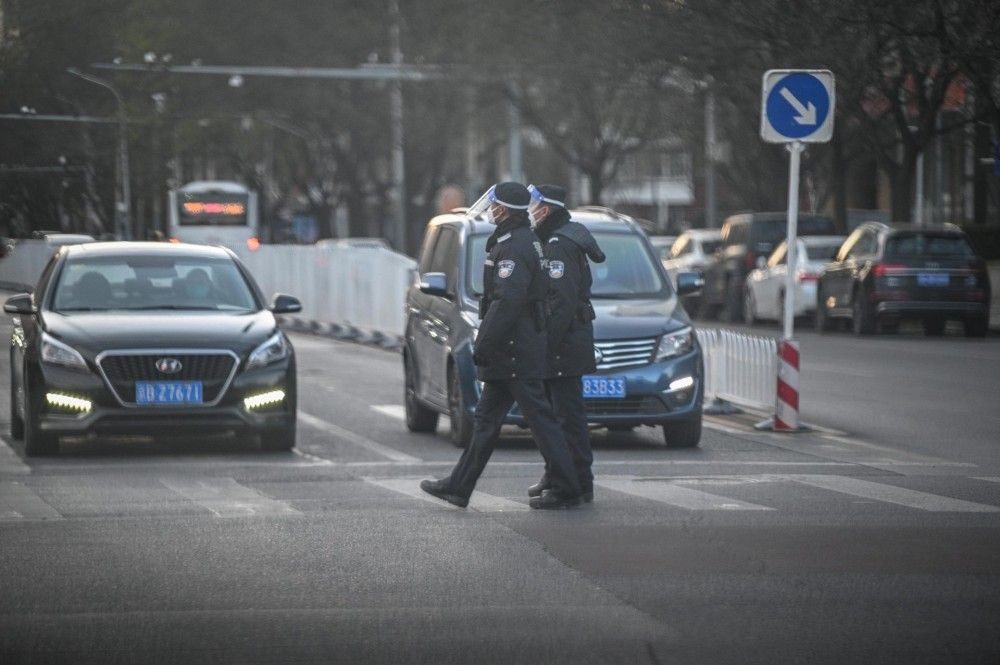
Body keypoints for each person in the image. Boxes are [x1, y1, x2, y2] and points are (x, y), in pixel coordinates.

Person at [420, 182, 583, 510]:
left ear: (504, 209)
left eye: (494, 205)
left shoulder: (515, 245)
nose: (491, 210)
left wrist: (484, 342)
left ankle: (568, 486)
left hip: (515, 350)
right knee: (486, 422)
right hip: (513, 349)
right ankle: (459, 486)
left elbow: (507, 301)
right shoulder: (519, 240)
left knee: (538, 419)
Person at [526, 184, 606, 503]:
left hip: (564, 343)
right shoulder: (553, 237)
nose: (530, 211)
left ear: (545, 210)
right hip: (566, 340)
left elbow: (561, 301)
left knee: (567, 418)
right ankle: (557, 473)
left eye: (534, 205)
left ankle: (574, 484)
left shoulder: (558, 243)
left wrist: (545, 344)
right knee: (557, 414)